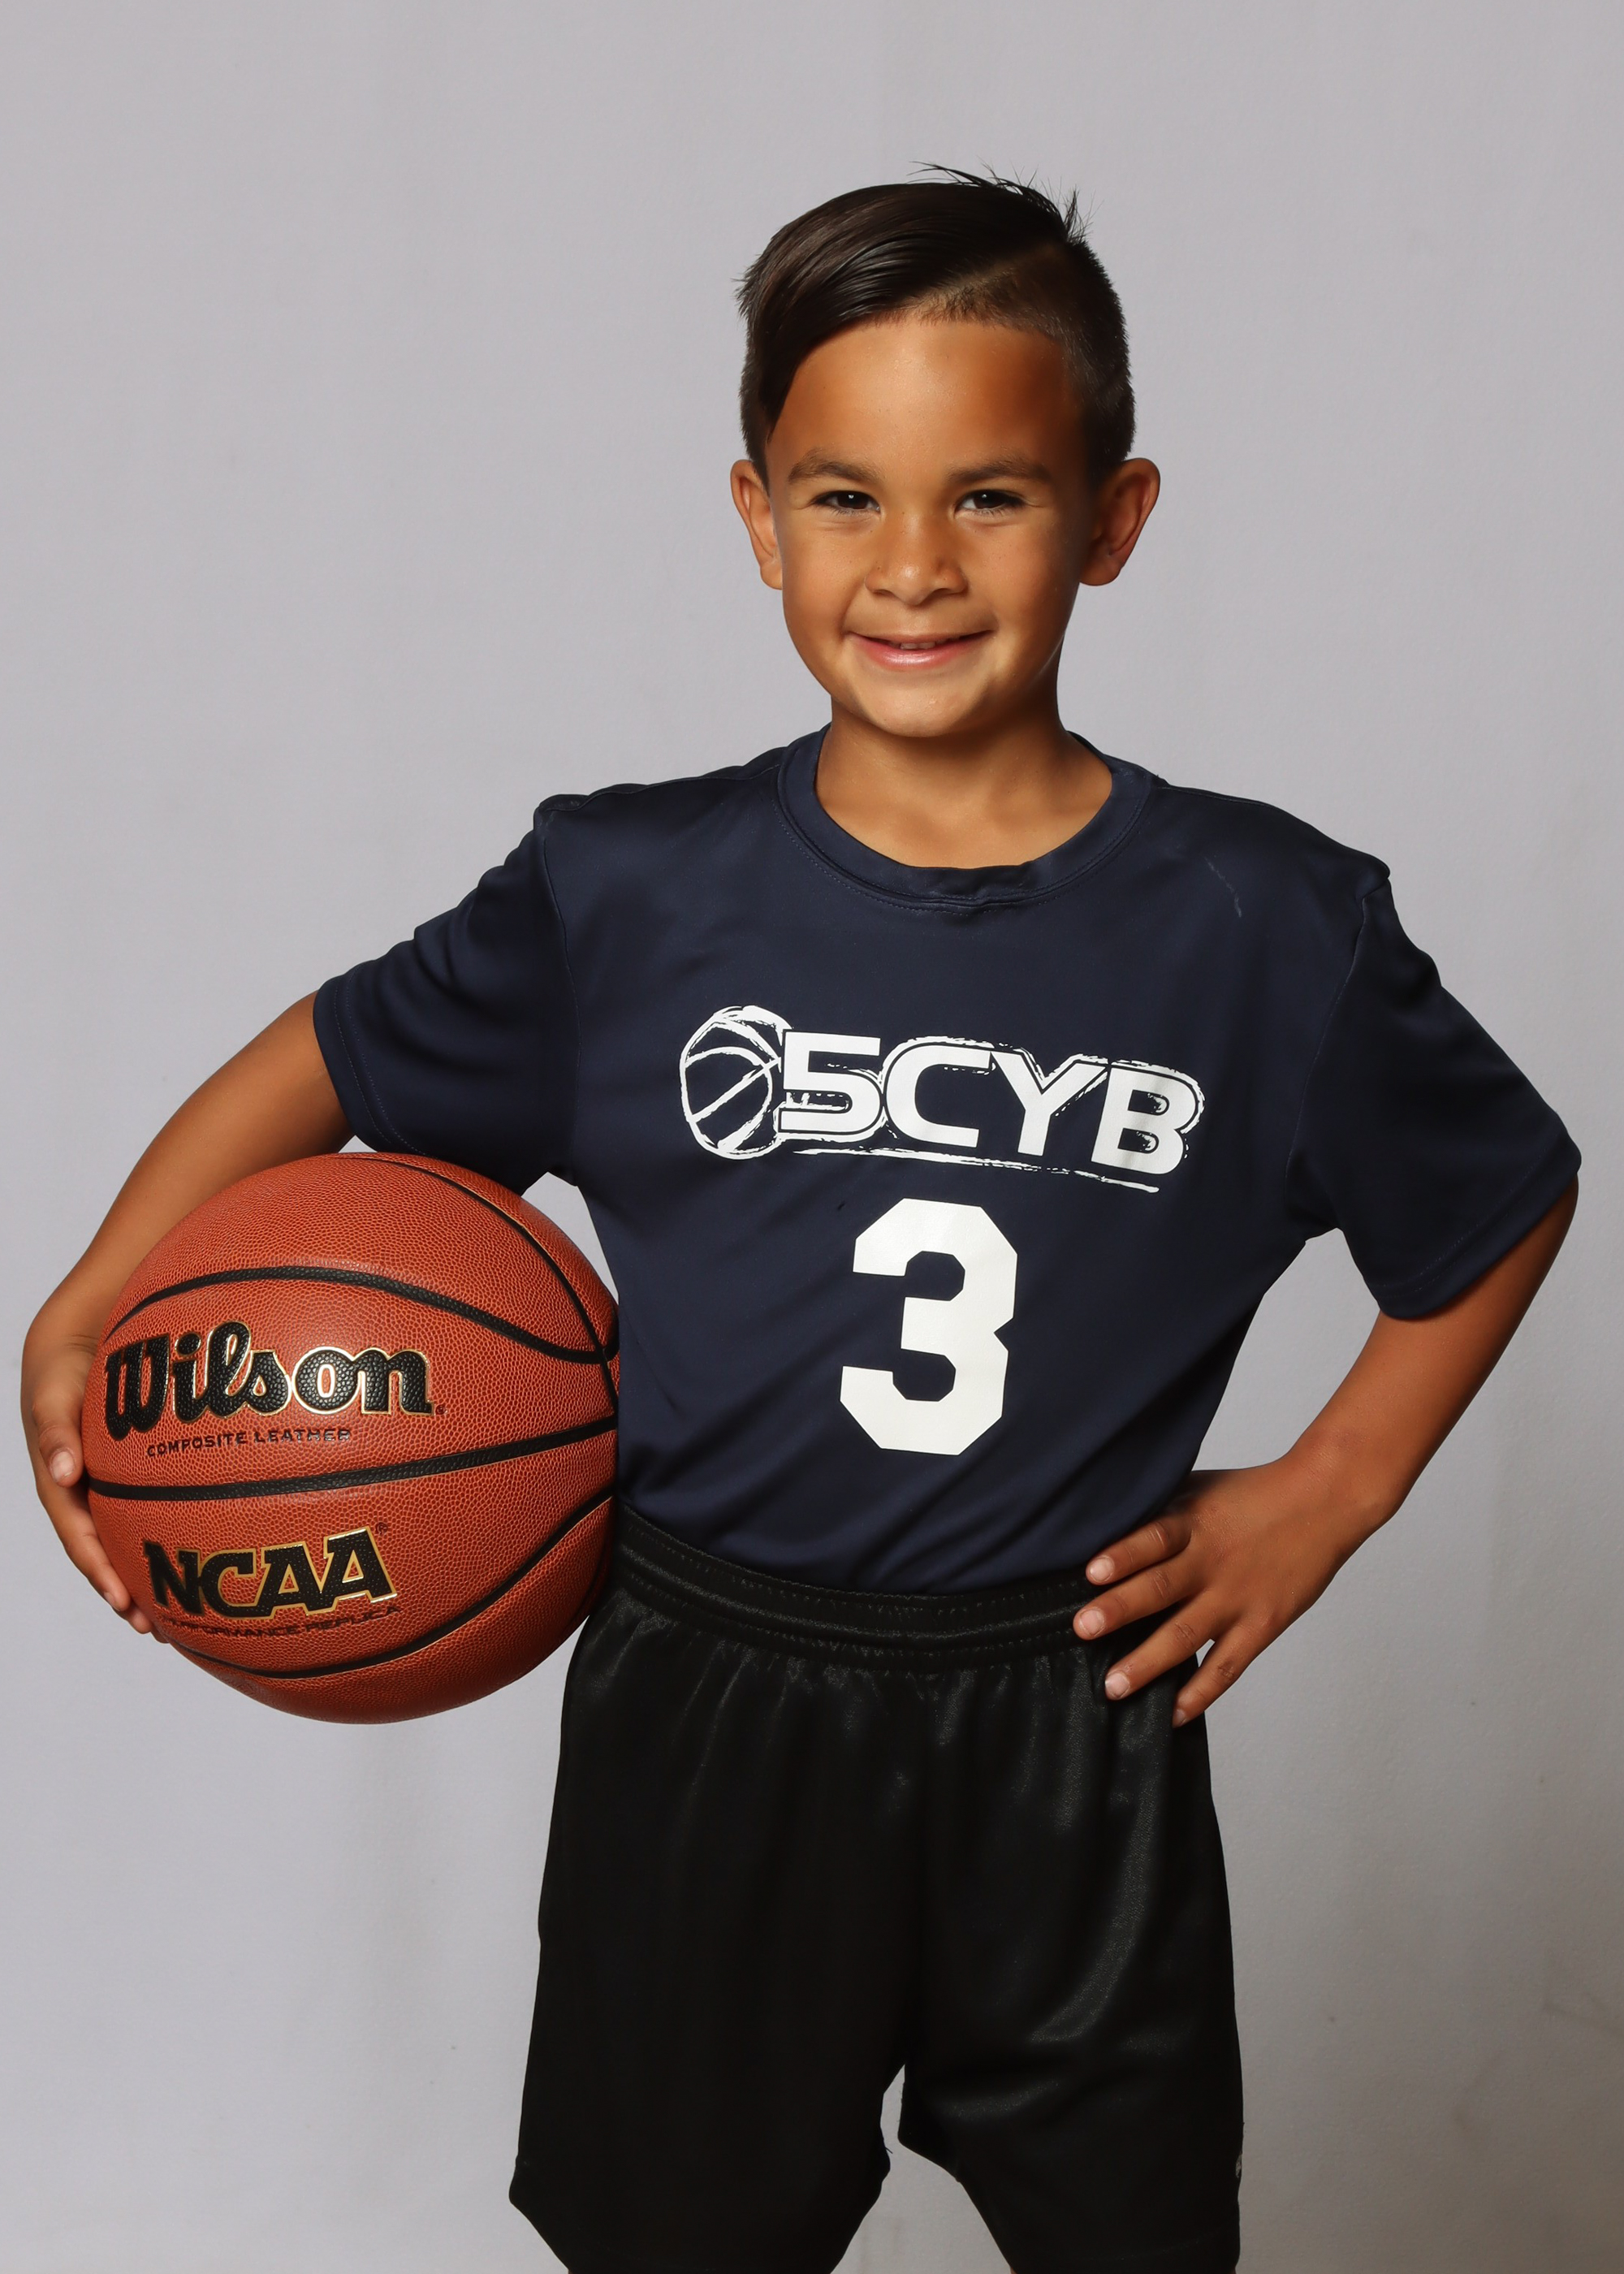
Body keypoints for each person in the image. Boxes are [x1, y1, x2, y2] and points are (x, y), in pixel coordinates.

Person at [22, 174, 1579, 2274]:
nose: (913, 564)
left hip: (1066, 1703)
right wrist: (95, 1298)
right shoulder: (625, 896)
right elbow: (336, 1054)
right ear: (758, 519)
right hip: (709, 1697)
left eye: (992, 498)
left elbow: (1498, 1189)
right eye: (846, 498)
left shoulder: (1269, 926)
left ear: (1114, 520)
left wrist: (1335, 1487)